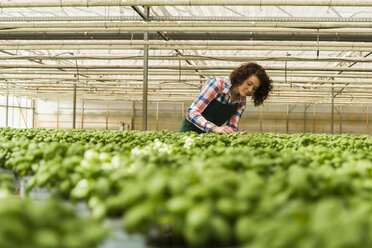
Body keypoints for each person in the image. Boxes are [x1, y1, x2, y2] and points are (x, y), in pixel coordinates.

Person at [179, 62, 272, 134]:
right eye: (249, 83)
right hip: (189, 132)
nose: (250, 90)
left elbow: (232, 126)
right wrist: (214, 128)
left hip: (209, 136)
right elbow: (192, 112)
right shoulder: (217, 84)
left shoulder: (241, 101)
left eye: (254, 88)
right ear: (242, 77)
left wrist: (234, 134)